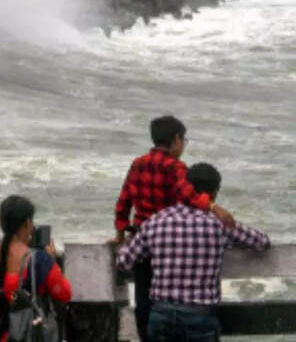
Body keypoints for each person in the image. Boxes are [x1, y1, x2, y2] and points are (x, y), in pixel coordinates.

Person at [111, 115, 238, 342]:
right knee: (169, 297)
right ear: (176, 139)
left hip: (142, 238)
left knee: (144, 302)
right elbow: (188, 195)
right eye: (184, 141)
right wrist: (213, 206)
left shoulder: (137, 163)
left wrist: (120, 235)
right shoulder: (176, 167)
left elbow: (123, 202)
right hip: (168, 242)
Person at [117, 163, 270, 342]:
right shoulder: (219, 224)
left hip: (162, 314)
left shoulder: (156, 221)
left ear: (185, 188)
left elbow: (124, 261)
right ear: (214, 193)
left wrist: (127, 242)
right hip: (200, 316)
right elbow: (262, 241)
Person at [0, 195, 71, 342]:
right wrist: (51, 259)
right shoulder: (38, 259)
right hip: (23, 334)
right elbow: (64, 294)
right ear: (28, 223)